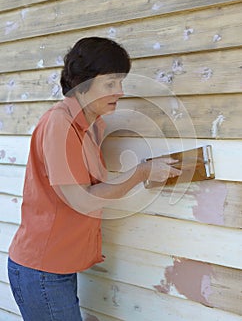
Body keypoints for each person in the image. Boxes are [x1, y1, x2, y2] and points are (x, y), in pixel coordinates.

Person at [8, 37, 181, 321]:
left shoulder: (92, 124)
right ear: (82, 83)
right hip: (42, 271)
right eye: (111, 83)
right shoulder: (59, 124)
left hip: (58, 267)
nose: (121, 91)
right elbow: (81, 199)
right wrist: (140, 173)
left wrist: (148, 171)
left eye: (121, 82)